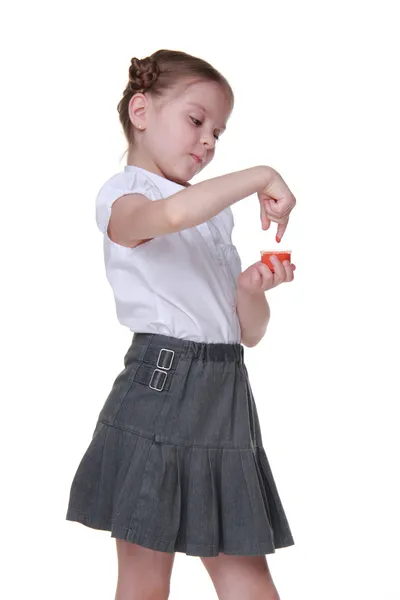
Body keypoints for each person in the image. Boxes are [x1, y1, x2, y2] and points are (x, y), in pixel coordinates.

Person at [66, 49, 297, 600]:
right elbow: (166, 219)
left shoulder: (213, 210)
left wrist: (249, 289)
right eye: (197, 121)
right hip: (162, 384)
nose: (209, 142)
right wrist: (261, 175)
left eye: (218, 132)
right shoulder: (125, 195)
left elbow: (249, 333)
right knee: (147, 573)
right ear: (141, 111)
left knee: (244, 570)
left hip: (226, 390)